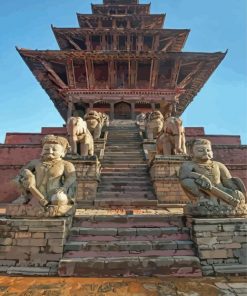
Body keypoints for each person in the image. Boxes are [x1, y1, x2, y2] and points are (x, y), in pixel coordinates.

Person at [13, 135, 77, 207]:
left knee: (59, 199)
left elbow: (72, 177)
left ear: (63, 152)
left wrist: (64, 187)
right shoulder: (35, 162)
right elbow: (21, 173)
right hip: (35, 194)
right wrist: (28, 176)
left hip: (55, 193)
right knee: (19, 179)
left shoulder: (66, 164)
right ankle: (25, 197)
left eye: (54, 150)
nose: (50, 151)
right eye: (46, 149)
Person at [179, 138, 246, 207]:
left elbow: (227, 181)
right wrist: (199, 177)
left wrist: (234, 190)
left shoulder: (218, 165)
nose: (205, 153)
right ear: (191, 153)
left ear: (212, 152)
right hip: (203, 191)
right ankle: (202, 199)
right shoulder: (188, 165)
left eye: (208, 150)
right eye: (200, 150)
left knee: (238, 195)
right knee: (186, 181)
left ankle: (223, 202)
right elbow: (183, 176)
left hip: (221, 190)